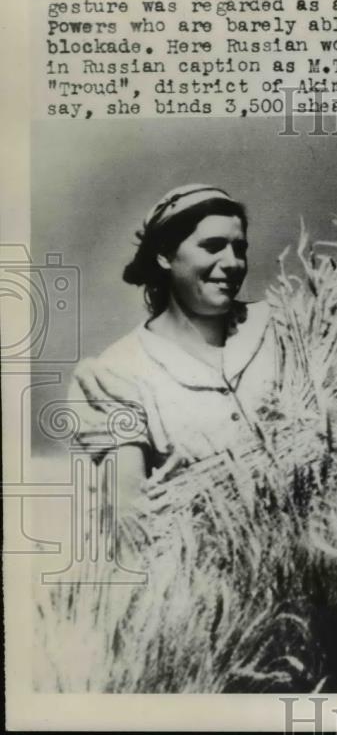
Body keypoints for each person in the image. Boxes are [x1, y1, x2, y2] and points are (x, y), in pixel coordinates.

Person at [69, 184, 279, 510]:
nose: (233, 262)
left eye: (240, 248)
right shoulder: (117, 372)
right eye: (213, 247)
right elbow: (130, 518)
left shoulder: (279, 327)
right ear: (165, 255)